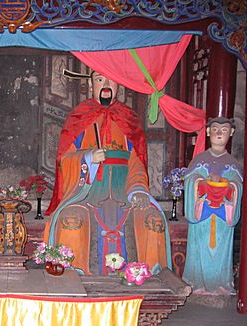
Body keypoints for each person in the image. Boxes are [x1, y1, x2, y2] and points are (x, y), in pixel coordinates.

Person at [44, 70, 171, 275]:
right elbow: (64, 160)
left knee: (153, 220)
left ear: (119, 85)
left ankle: (151, 279)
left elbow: (137, 161)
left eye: (112, 80)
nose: (106, 85)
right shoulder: (79, 116)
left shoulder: (128, 118)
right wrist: (87, 158)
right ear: (91, 85)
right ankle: (74, 277)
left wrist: (138, 189)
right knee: (71, 220)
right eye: (100, 79)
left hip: (125, 191)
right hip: (87, 192)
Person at [183, 117, 243, 295]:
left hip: (224, 214)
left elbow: (238, 186)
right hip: (202, 214)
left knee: (221, 251)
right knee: (200, 248)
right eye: (215, 129)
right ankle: (197, 282)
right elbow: (190, 181)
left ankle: (220, 284)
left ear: (231, 133)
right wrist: (202, 182)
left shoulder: (233, 163)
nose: (219, 133)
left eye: (224, 130)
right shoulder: (199, 160)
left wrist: (228, 185)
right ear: (208, 132)